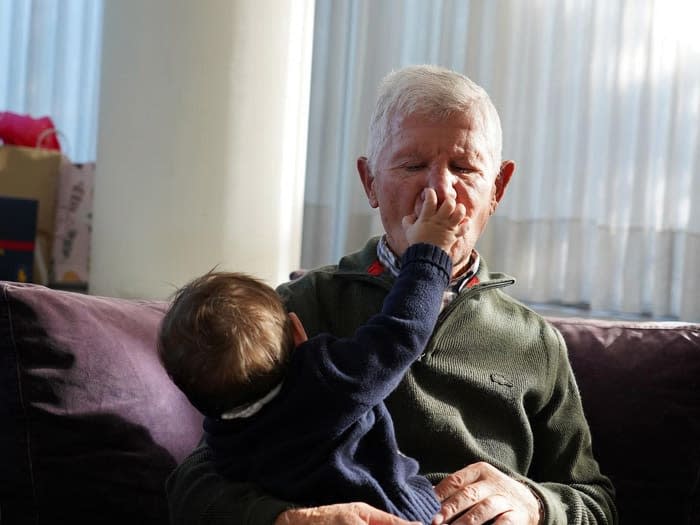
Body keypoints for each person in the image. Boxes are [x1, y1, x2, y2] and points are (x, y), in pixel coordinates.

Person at [166, 64, 618, 525]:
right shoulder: (297, 311)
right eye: (412, 165)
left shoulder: (535, 342)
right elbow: (195, 486)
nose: (439, 189)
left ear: (497, 187)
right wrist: (291, 520)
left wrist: (535, 505)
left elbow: (596, 503)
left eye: (463, 168)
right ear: (370, 183)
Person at [158, 187, 468, 524]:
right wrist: (429, 253)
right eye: (413, 165)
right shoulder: (325, 380)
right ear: (297, 330)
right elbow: (402, 330)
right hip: (401, 512)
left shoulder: (225, 438)